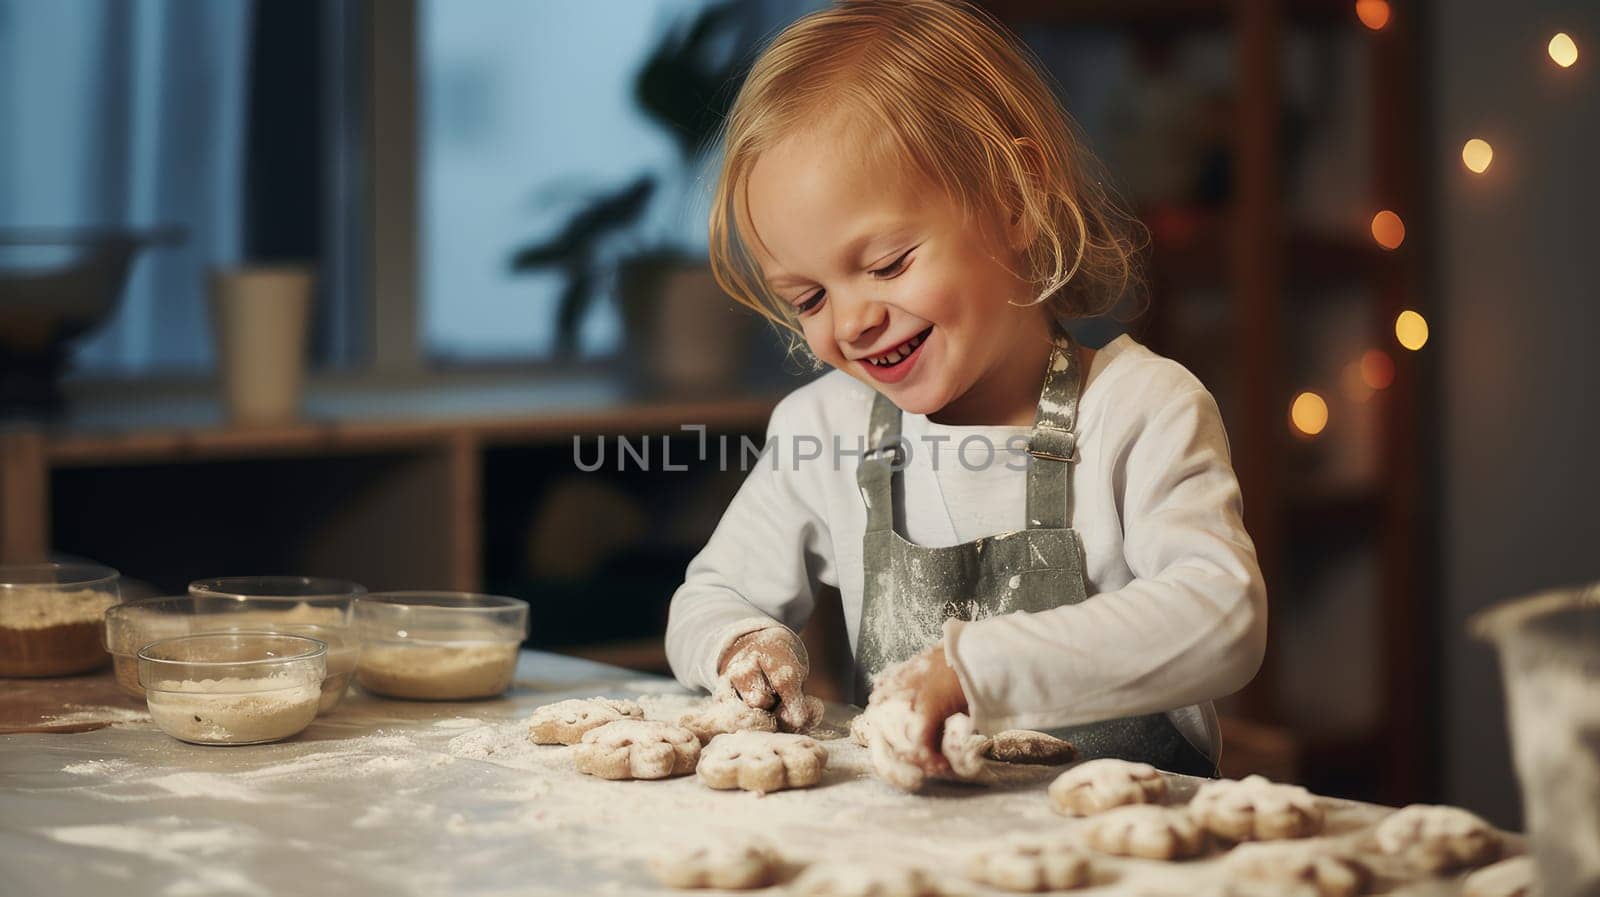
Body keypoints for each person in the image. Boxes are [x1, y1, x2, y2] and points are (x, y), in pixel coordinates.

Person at [664, 0, 1266, 780]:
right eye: (808, 298)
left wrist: (978, 670)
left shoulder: (1140, 409)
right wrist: (741, 645)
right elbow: (705, 598)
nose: (852, 321)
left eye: (887, 264)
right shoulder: (826, 430)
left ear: (1015, 198)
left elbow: (1223, 616)